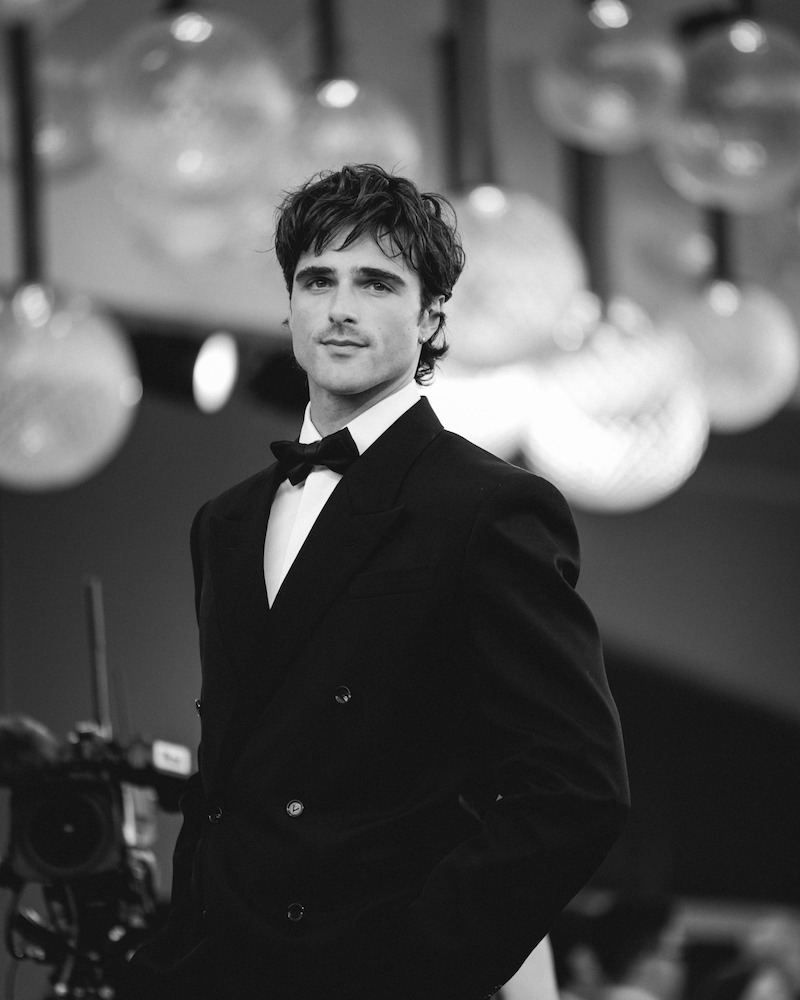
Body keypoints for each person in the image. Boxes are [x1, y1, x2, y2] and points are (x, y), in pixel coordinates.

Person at [127, 163, 630, 1000]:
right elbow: (233, 775)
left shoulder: (489, 505)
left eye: (377, 281)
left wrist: (415, 966)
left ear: (432, 314)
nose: (341, 307)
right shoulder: (225, 521)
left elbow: (578, 786)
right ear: (288, 306)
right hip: (216, 968)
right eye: (317, 279)